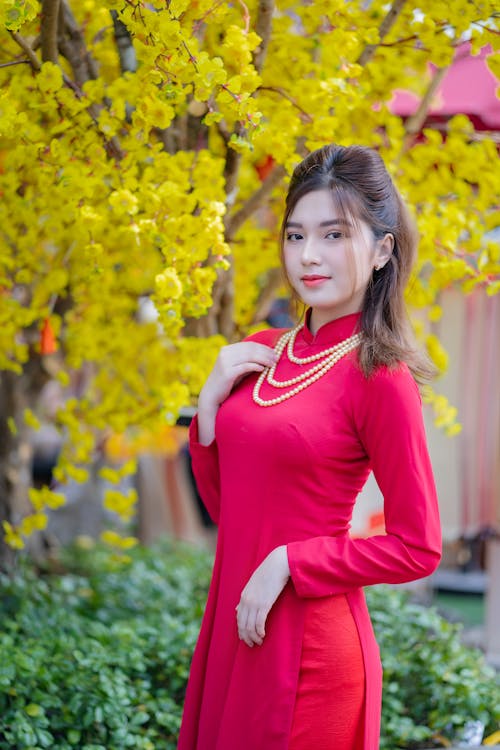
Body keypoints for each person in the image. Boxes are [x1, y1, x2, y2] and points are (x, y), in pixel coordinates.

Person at [177, 144, 442, 750]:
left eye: (333, 234)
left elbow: (418, 547)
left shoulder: (382, 377)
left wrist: (291, 563)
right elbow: (230, 510)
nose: (309, 256)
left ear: (381, 249)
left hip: (311, 653)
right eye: (296, 235)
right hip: (234, 627)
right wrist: (210, 404)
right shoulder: (262, 352)